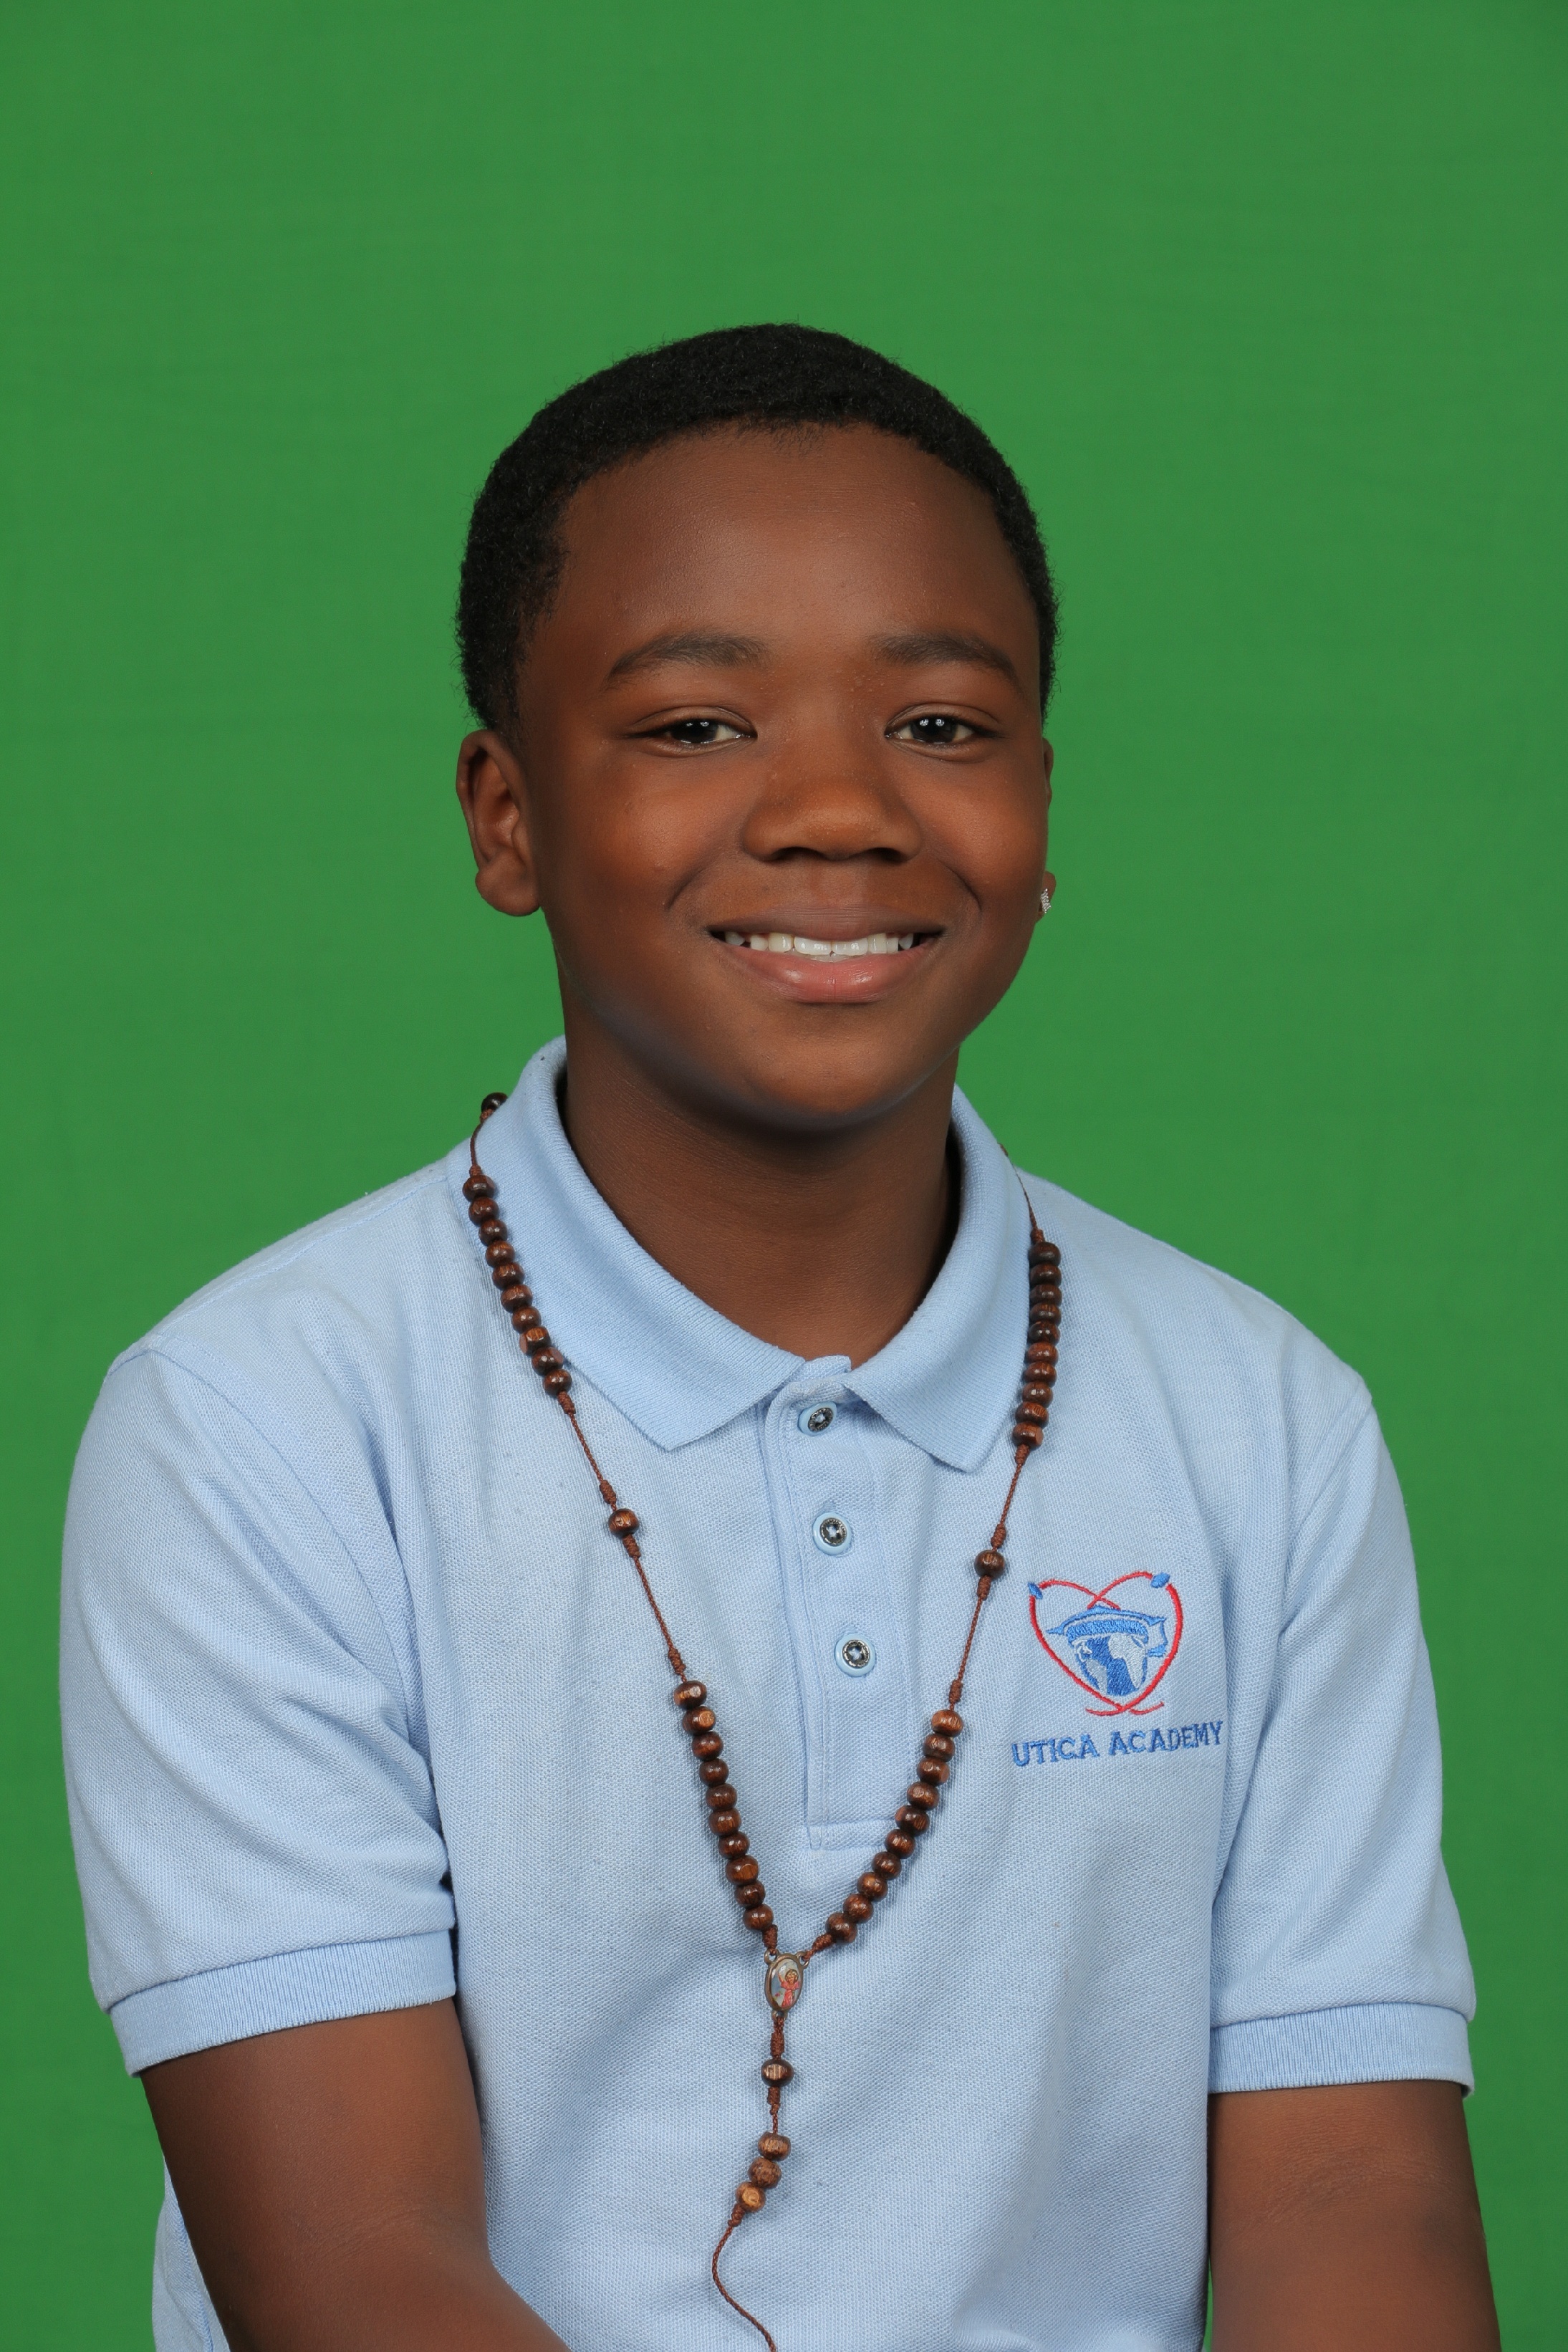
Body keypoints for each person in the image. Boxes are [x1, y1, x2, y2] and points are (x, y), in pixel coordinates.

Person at [60, 325, 1499, 2352]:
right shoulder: (262, 1425)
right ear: (506, 817)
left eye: (941, 721)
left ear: (1043, 803)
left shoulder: (1261, 1420)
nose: (837, 807)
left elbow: (1354, 2202)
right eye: (695, 724)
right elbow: (360, 2270)